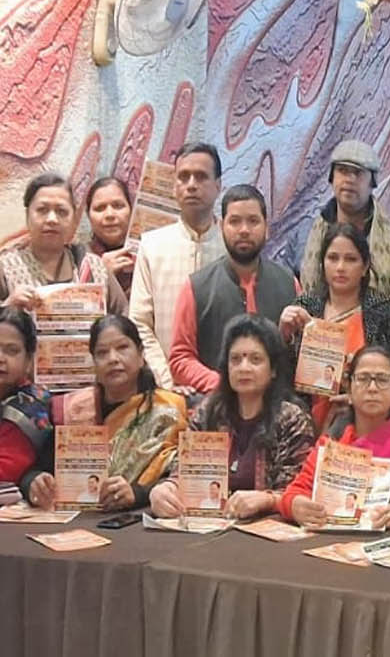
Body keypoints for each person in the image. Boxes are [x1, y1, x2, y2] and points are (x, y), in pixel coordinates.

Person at [150, 315, 317, 520]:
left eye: (255, 359)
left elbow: (297, 492)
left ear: (273, 369)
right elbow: (181, 474)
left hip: (267, 528)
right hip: (210, 526)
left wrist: (268, 499)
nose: (243, 368)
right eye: (235, 359)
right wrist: (165, 489)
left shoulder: (292, 419)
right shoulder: (208, 412)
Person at [28, 316, 185, 512]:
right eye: (102, 352)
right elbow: (37, 468)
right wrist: (34, 482)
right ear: (94, 362)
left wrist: (137, 494)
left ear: (141, 354)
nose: (113, 359)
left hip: (139, 519)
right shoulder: (72, 409)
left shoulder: (167, 410)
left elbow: (180, 475)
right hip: (79, 518)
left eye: (122, 348)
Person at [281, 345, 390, 530]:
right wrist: (294, 505)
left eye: (382, 379)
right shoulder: (333, 442)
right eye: (363, 379)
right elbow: (297, 489)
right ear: (349, 392)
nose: (372, 388)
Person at [168, 185, 299, 393]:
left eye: (253, 221)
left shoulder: (289, 283)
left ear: (267, 228)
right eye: (235, 221)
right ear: (221, 227)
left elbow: (305, 351)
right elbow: (180, 359)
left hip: (278, 405)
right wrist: (223, 386)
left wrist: (290, 335)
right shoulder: (196, 287)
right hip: (217, 404)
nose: (244, 230)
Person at [279, 223, 390, 430]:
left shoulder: (386, 312)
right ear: (322, 263)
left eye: (350, 259)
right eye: (333, 258)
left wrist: (358, 398)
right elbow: (282, 376)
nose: (340, 267)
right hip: (306, 425)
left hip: (369, 426)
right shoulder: (305, 307)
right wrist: (283, 336)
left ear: (365, 266)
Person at [130, 143, 227, 390]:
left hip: (227, 390)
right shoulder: (152, 245)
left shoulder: (232, 246)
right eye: (183, 177)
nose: (191, 185)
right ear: (174, 186)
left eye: (201, 176)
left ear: (218, 186)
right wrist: (166, 381)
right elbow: (140, 322)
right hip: (166, 389)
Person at [278, 139, 390, 301]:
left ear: (372, 182)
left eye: (358, 173)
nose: (350, 179)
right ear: (332, 178)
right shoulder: (303, 236)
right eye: (342, 170)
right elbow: (285, 292)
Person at [0, 174, 127, 313]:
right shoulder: (6, 268)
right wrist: (8, 306)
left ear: (74, 219)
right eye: (42, 210)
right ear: (27, 216)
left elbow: (124, 321)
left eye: (61, 211)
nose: (52, 219)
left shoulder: (95, 268)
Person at [0, 309, 52, 503]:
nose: (1, 358)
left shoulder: (31, 406)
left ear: (29, 360)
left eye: (12, 351)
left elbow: (6, 469)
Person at [84, 176, 136, 301]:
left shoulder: (148, 255)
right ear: (88, 215)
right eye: (100, 208)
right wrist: (101, 274)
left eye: (118, 206)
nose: (109, 215)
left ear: (132, 209)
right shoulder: (77, 259)